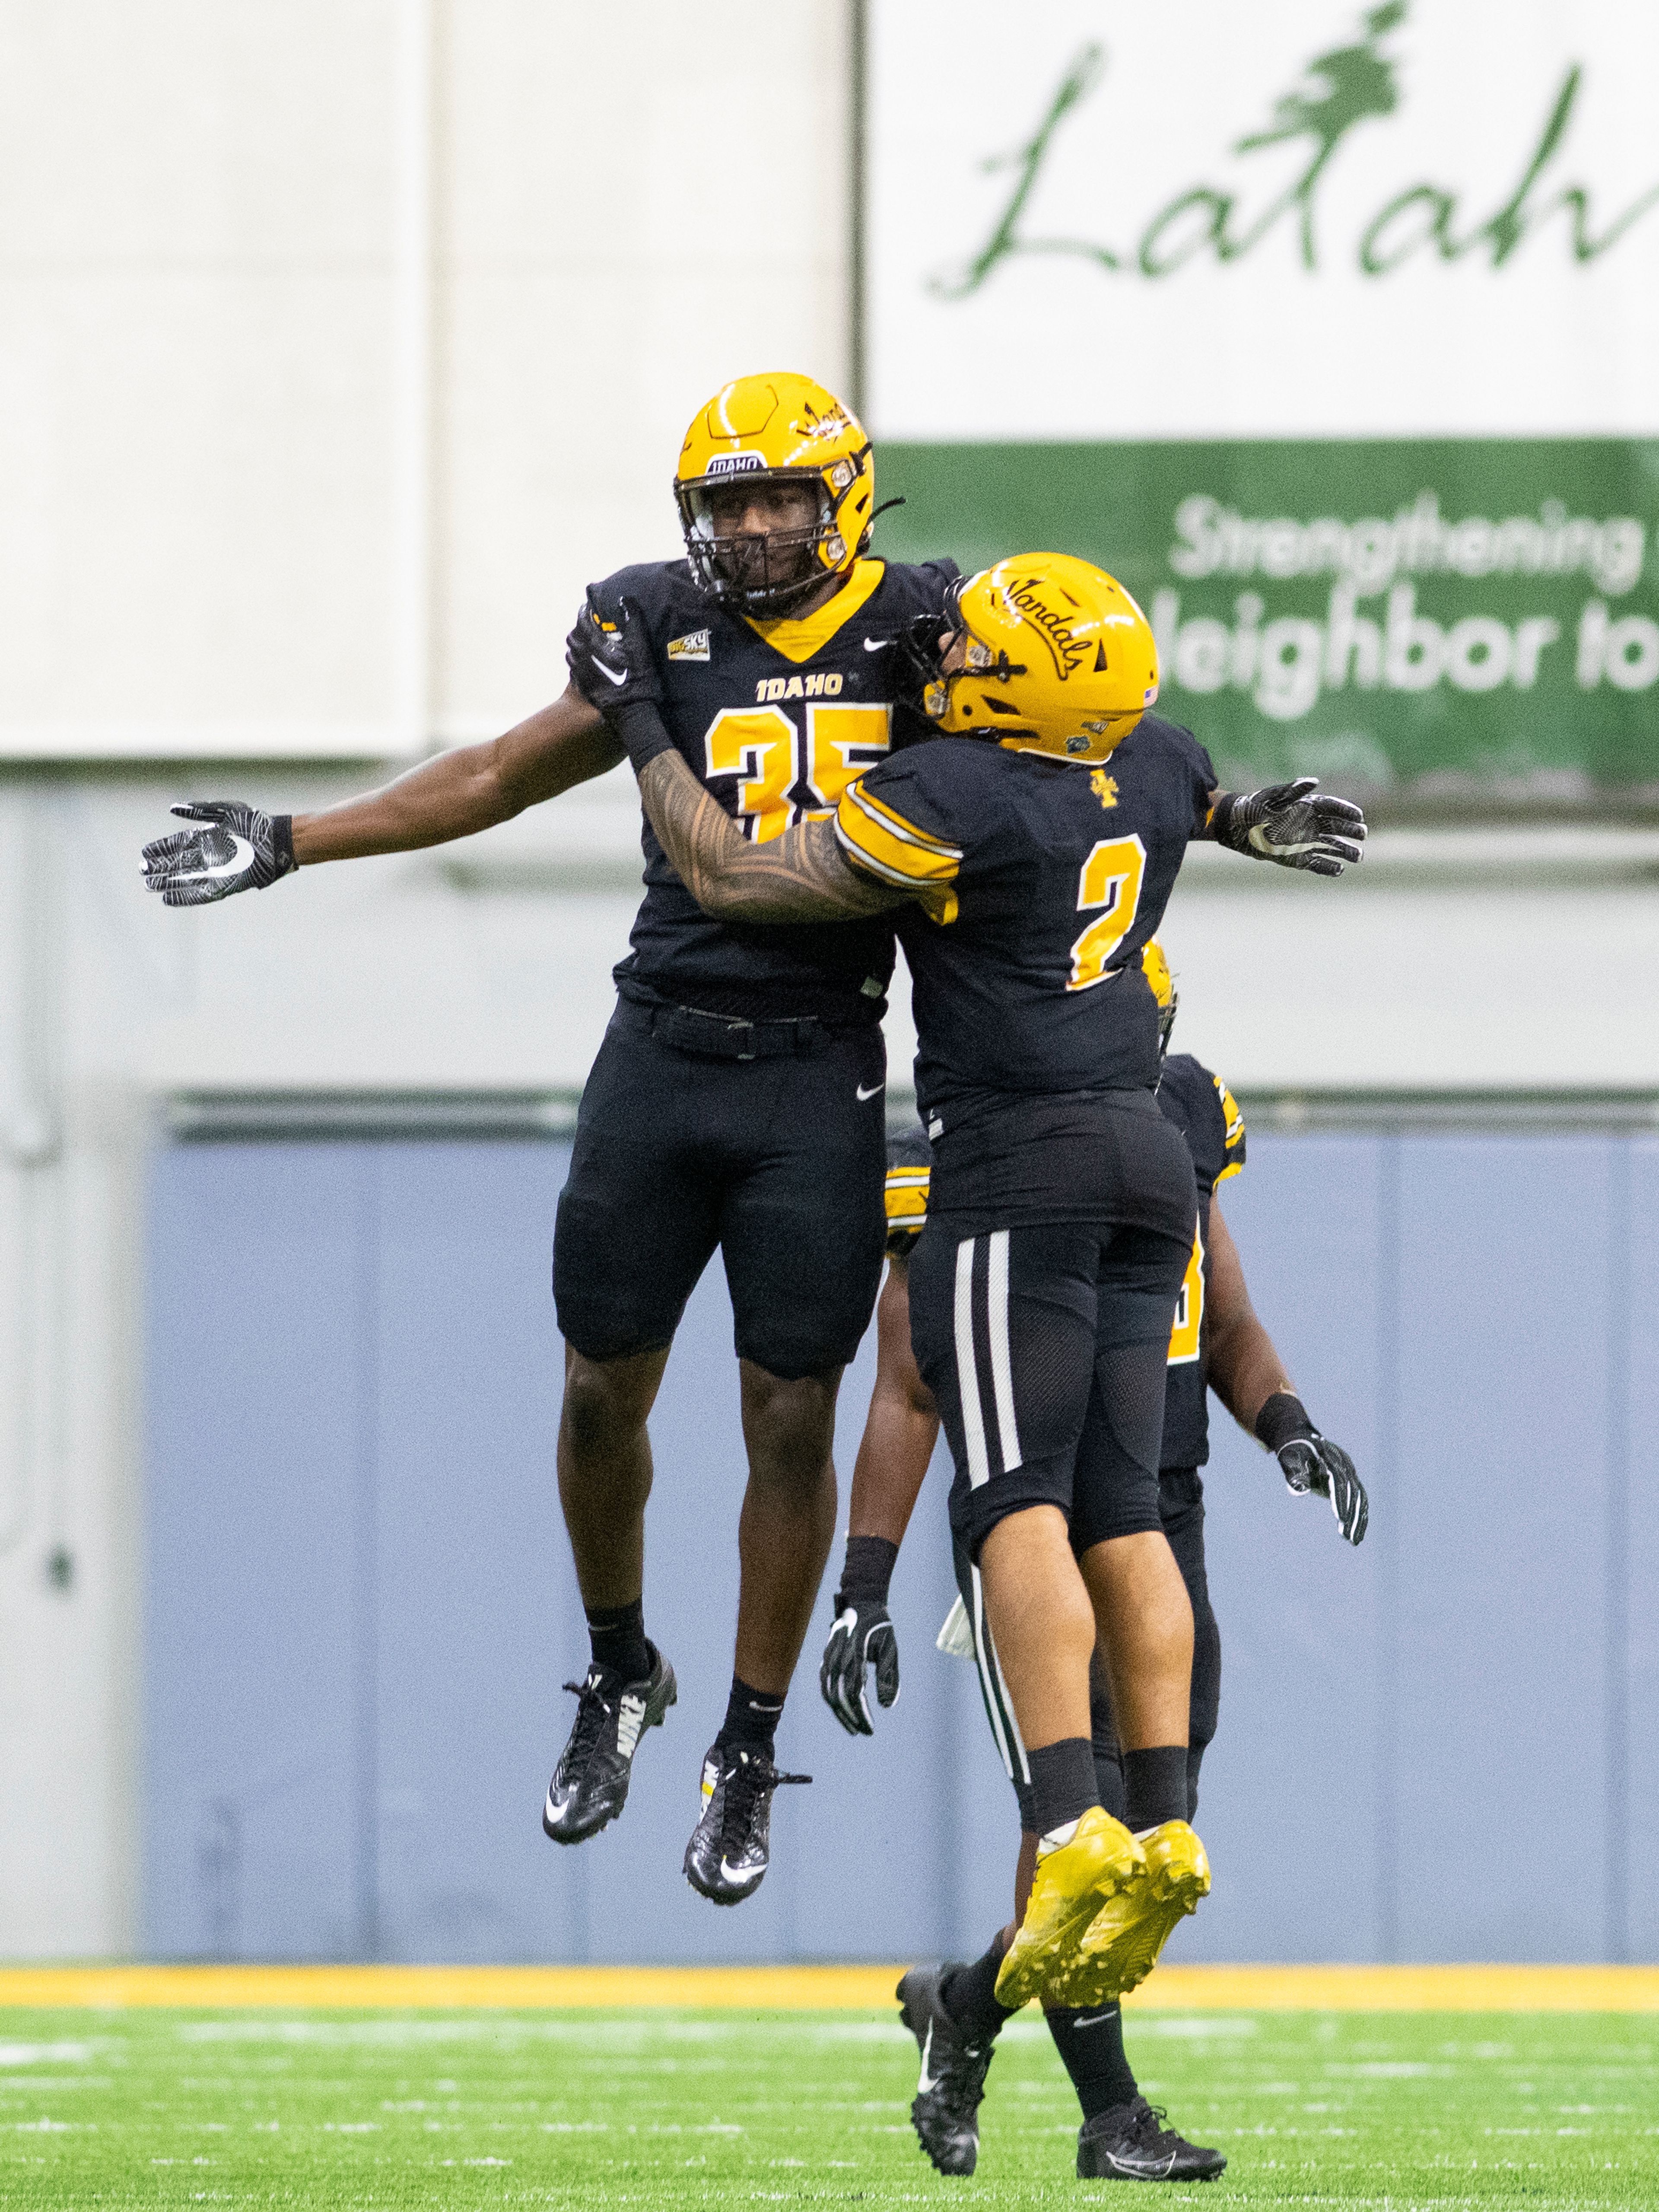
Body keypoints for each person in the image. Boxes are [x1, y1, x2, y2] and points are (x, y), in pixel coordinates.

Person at [138, 370, 966, 1905]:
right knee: (599, 1389)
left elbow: (1083, 742)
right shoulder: (662, 622)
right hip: (662, 1049)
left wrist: (1220, 807)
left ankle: (744, 1743)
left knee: (789, 1415)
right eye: (733, 503)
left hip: (822, 1070)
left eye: (785, 496)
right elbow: (502, 776)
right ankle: (616, 1671)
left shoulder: (925, 626)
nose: (762, 527)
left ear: (847, 493)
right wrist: (293, 841)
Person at [567, 549, 1364, 1998]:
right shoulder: (1155, 754)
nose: (942, 660)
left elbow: (735, 873)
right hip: (1146, 1157)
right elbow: (1193, 792)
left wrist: (639, 721)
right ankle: (1165, 1824)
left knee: (1020, 1510)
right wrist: (1248, 812)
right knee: (1131, 1516)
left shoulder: (961, 794)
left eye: (973, 653)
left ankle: (1070, 1822)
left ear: (1023, 688)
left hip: (1019, 1167)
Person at [822, 944, 1367, 2181]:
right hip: (1037, 1517)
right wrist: (865, 1578)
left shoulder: (1179, 1110)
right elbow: (910, 1383)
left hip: (1163, 1506)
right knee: (1075, 1826)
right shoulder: (974, 1130)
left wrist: (1286, 1420)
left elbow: (1221, 1315)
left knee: (1145, 1844)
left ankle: (966, 2003)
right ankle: (1109, 2111)